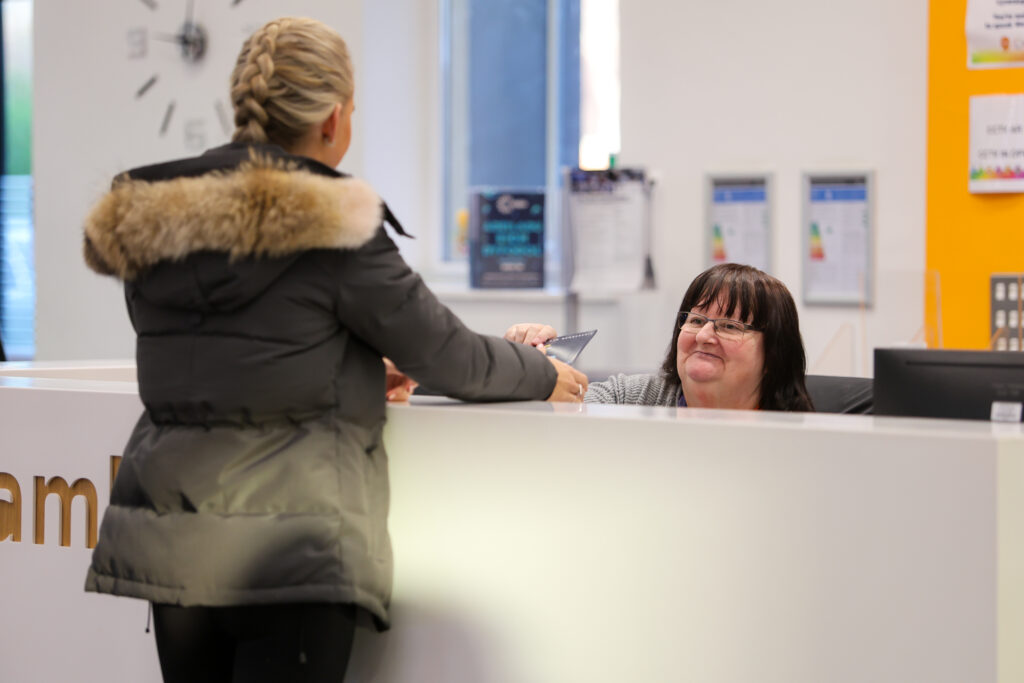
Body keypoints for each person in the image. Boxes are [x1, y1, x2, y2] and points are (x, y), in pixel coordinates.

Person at [82, 17, 587, 683]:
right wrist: (542, 372)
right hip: (288, 549)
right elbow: (445, 354)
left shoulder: (153, 217)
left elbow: (218, 354)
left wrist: (348, 368)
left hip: (173, 541)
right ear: (331, 119)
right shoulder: (329, 219)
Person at [506, 263, 813, 411]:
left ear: (773, 353)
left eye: (730, 326)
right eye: (695, 320)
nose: (705, 335)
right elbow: (556, 411)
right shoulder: (633, 396)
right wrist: (527, 366)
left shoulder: (801, 433)